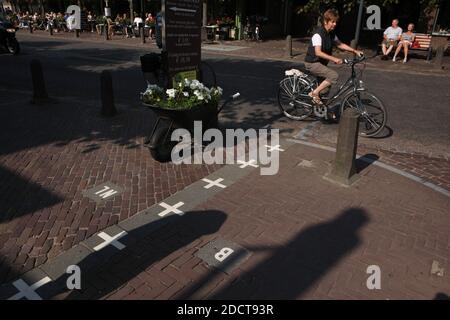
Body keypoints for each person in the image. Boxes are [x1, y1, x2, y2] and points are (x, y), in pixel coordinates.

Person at [304, 9, 363, 105]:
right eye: (332, 22)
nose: (335, 24)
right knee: (333, 76)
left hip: (321, 63)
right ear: (325, 22)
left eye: (336, 22)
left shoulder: (331, 34)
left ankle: (322, 109)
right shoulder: (318, 34)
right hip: (312, 63)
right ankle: (314, 93)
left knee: (326, 88)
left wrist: (354, 51)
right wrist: (335, 59)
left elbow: (340, 44)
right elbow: (318, 52)